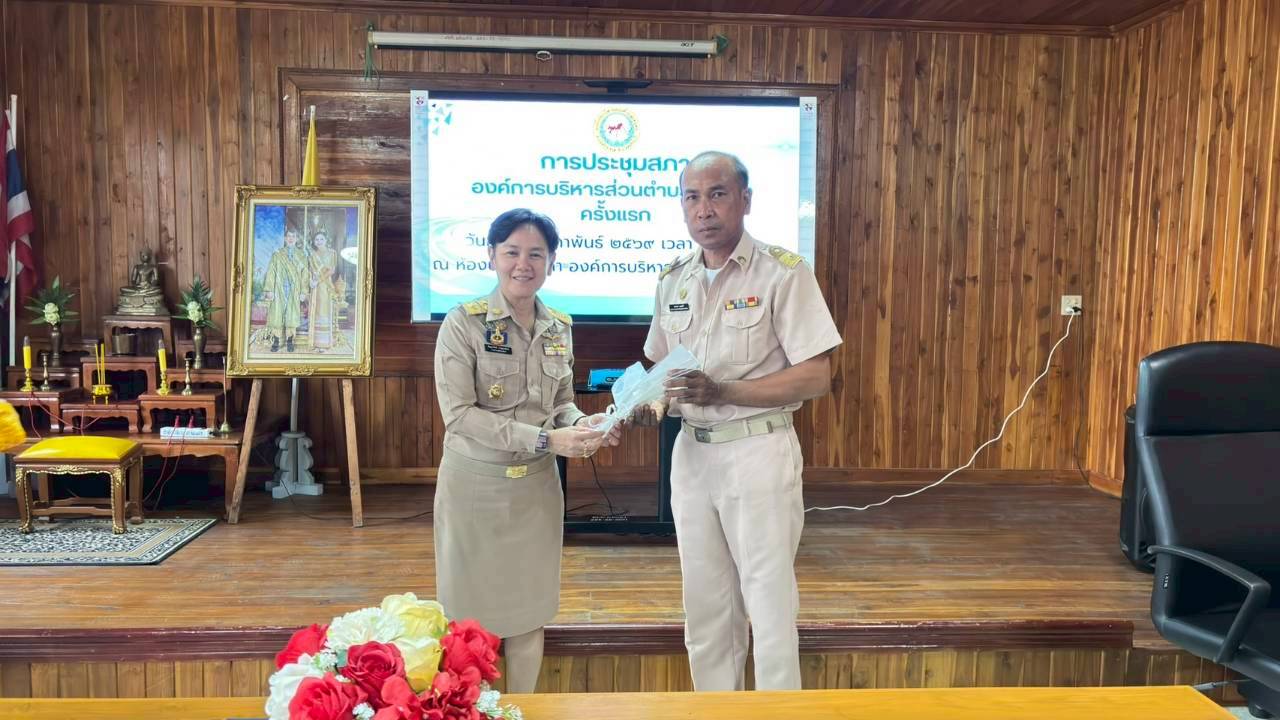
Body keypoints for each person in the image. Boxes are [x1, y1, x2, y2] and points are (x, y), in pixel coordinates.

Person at [632, 151, 842, 691]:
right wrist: (644, 404)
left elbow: (817, 375)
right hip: (691, 454)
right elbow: (660, 368)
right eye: (692, 197)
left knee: (768, 602)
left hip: (757, 451)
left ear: (745, 200)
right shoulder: (673, 280)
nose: (704, 209)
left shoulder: (782, 273)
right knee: (705, 605)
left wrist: (724, 391)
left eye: (717, 194)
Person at [433, 208, 621, 693]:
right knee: (468, 620)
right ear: (491, 256)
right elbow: (460, 415)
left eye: (536, 254)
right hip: (476, 489)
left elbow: (560, 403)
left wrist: (582, 423)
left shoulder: (559, 326)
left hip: (536, 491)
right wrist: (547, 440)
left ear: (551, 261)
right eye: (512, 252)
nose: (524, 264)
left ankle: (523, 709)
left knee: (529, 613)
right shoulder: (463, 323)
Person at [261, 224, 307, 352]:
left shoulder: (302, 256)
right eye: (288, 236)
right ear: (285, 238)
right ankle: (276, 341)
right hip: (279, 289)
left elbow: (305, 275)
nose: (291, 239)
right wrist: (269, 290)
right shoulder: (277, 254)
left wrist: (303, 291)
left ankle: (290, 341)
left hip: (294, 289)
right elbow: (271, 272)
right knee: (277, 313)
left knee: (291, 314)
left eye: (293, 236)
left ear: (297, 238)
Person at [306, 229, 337, 351]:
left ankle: (325, 343)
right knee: (316, 311)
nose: (319, 241)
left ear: (326, 240)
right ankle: (315, 342)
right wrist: (311, 280)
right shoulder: (312, 255)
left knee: (324, 311)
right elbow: (310, 270)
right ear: (314, 241)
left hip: (325, 285)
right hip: (316, 287)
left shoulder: (332, 253)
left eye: (321, 239)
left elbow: (332, 270)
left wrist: (318, 280)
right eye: (317, 239)